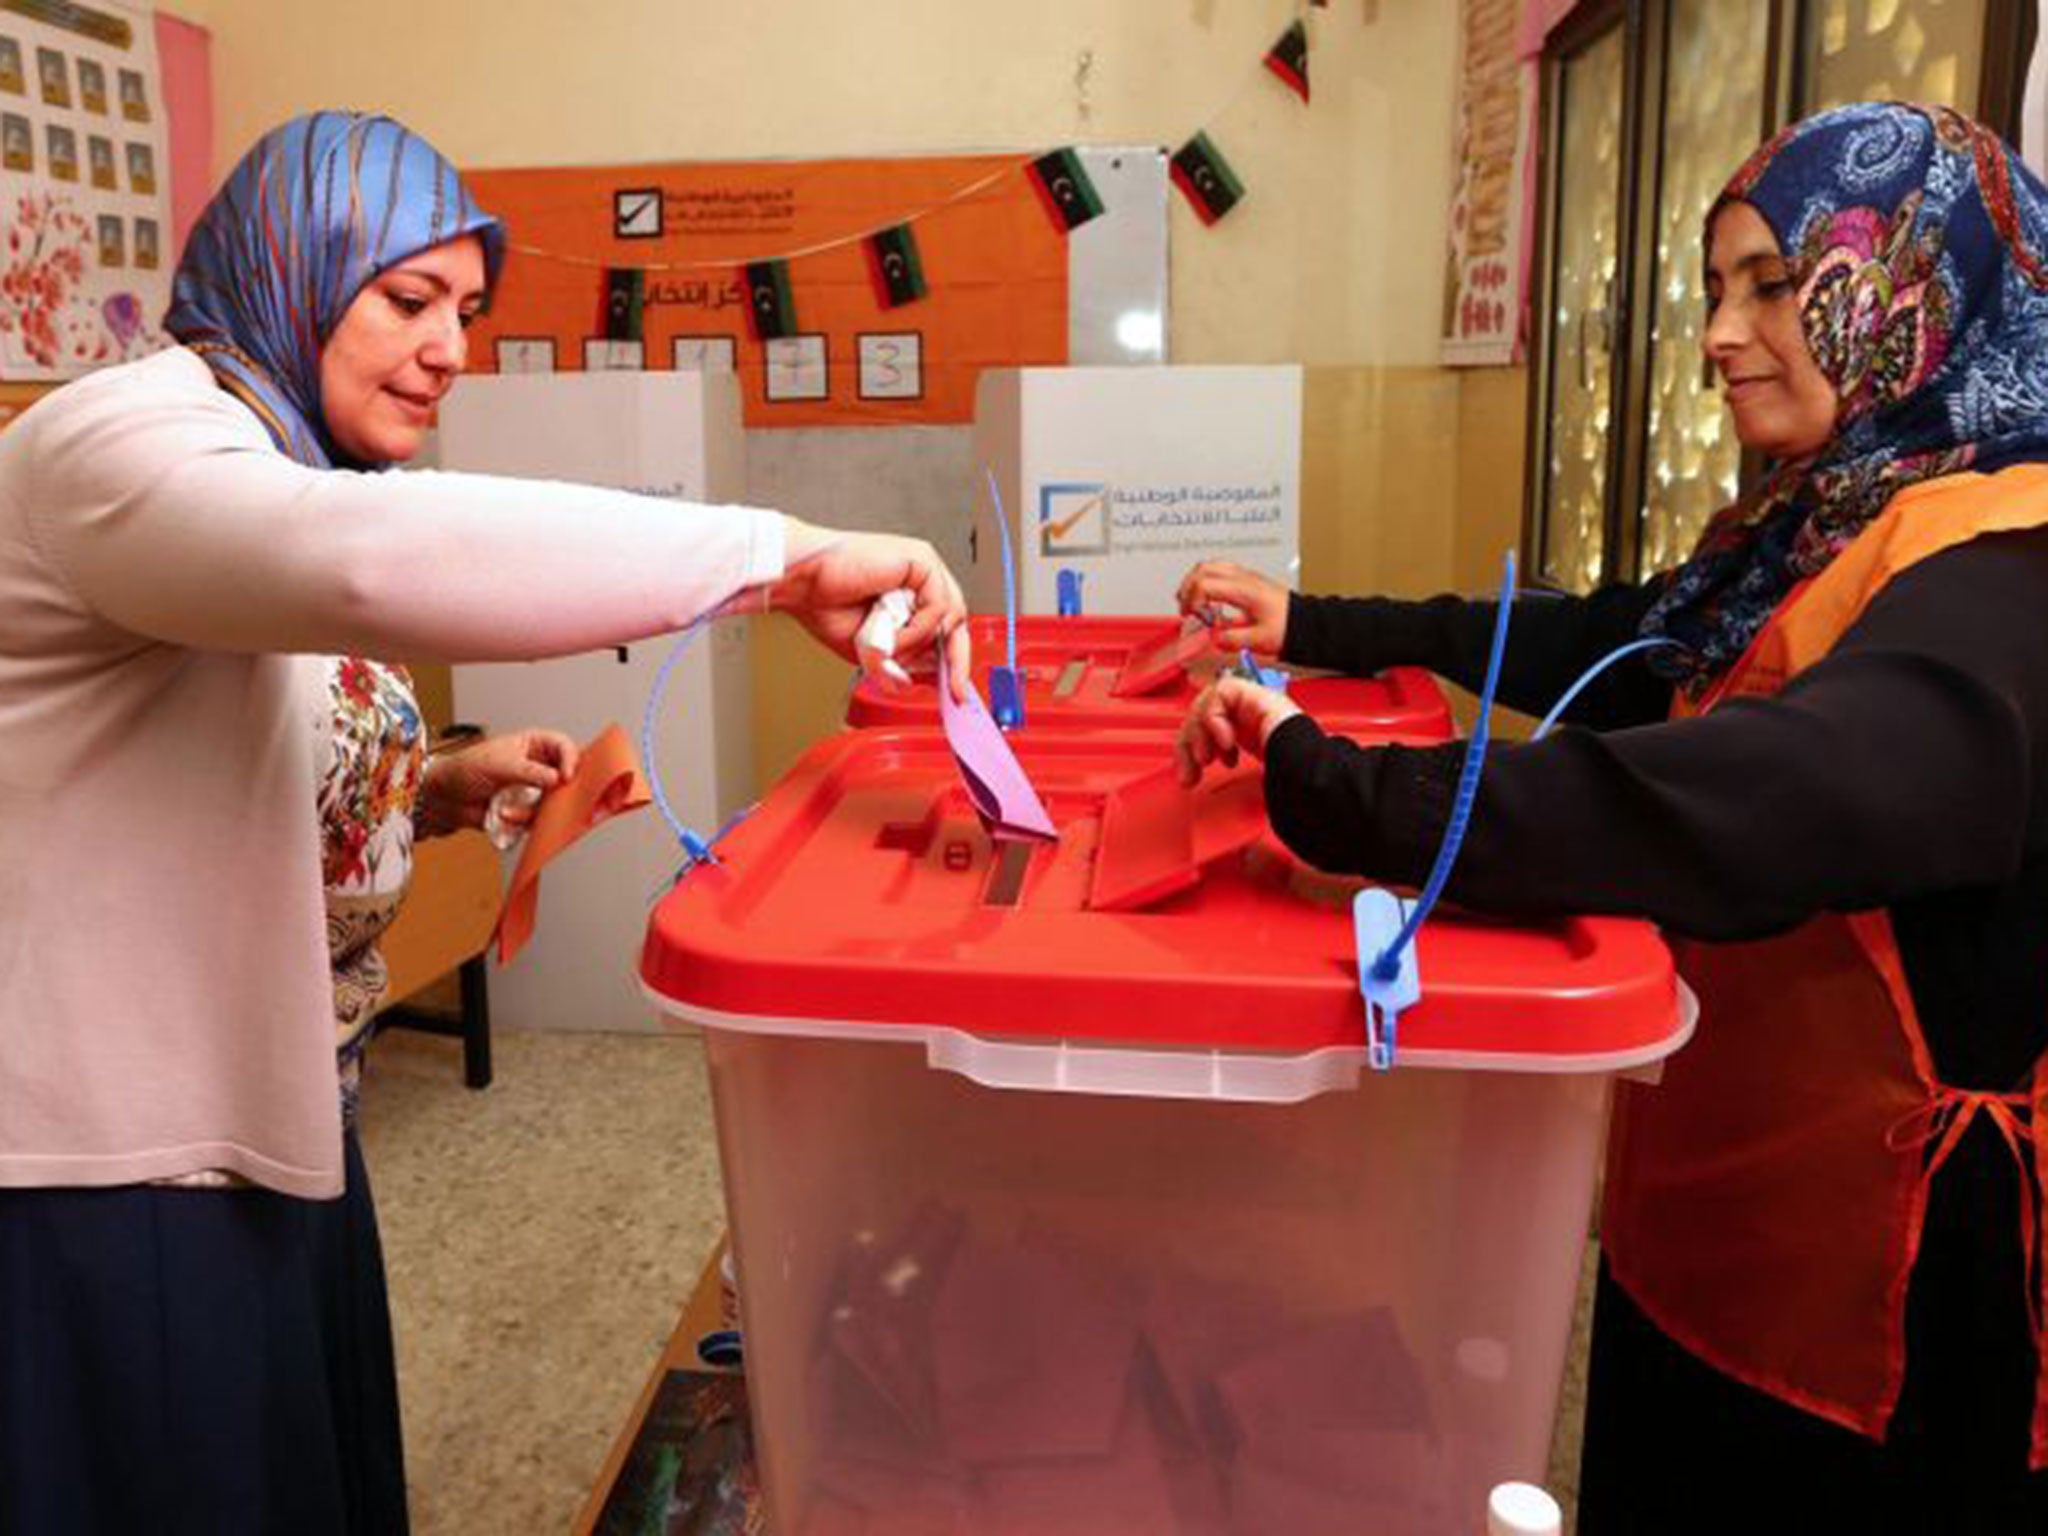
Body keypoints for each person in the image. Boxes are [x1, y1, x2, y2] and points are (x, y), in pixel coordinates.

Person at [0, 111, 968, 1535]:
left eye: (467, 310)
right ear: (291, 269)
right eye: (406, 300)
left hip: (270, 1099)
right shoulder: (120, 440)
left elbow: (217, 728)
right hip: (116, 1158)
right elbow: (368, 573)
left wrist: (439, 784)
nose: (453, 345)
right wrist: (781, 556)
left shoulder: (277, 460)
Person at [1176, 101, 2048, 1530]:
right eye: (1719, 288)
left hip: (1879, 1290)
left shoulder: (2004, 562)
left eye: (1776, 283)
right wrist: (1315, 619)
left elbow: (1779, 797)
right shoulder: (1817, 521)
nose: (1718, 332)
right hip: (1713, 1192)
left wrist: (1346, 791)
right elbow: (1622, 644)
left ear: (1909, 275)